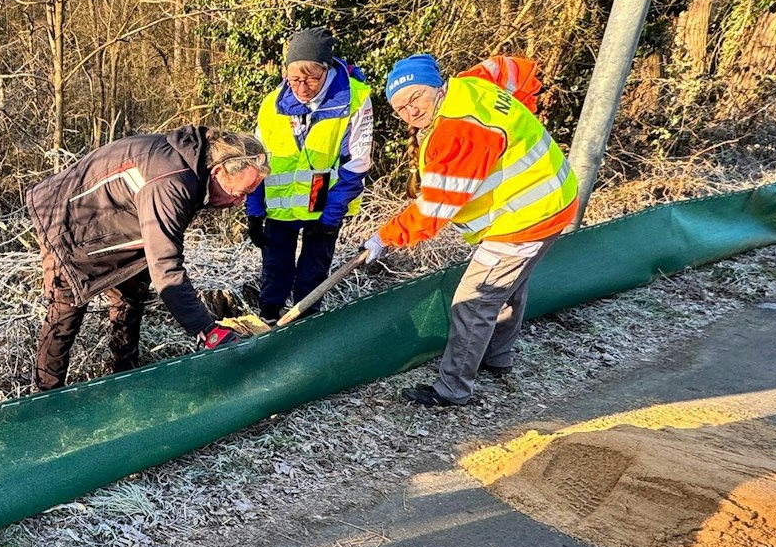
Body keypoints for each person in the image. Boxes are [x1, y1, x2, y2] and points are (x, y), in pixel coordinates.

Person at [368, 55, 578, 407]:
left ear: (436, 86)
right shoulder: (472, 83)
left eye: (416, 97)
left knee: (474, 300)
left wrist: (384, 238)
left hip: (526, 216)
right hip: (555, 195)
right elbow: (516, 70)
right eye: (400, 107)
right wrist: (520, 114)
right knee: (510, 284)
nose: (411, 111)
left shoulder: (458, 131)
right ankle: (496, 356)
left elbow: (434, 209)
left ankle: (453, 389)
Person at [25, 126, 270, 391]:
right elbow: (166, 267)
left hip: (120, 224)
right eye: (240, 194)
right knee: (65, 312)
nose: (239, 204)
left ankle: (124, 374)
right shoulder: (172, 182)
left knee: (130, 297)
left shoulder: (192, 167)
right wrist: (208, 330)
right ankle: (44, 396)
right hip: (66, 221)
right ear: (219, 171)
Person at [246, 28, 375, 321]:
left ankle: (305, 323)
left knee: (312, 273)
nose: (302, 88)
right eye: (294, 80)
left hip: (324, 202)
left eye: (311, 79)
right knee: (275, 269)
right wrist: (254, 210)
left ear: (326, 70)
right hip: (280, 206)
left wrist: (331, 216)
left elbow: (356, 164)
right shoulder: (271, 104)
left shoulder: (353, 99)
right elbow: (257, 160)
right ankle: (268, 319)